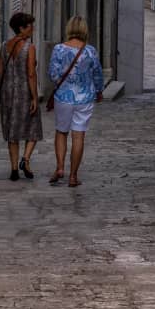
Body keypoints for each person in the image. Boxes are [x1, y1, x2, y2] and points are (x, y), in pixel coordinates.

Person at [47, 15, 104, 187]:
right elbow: (97, 74)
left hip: (63, 97)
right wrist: (99, 91)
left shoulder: (58, 49)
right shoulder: (90, 51)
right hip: (84, 98)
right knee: (78, 136)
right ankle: (73, 176)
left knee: (61, 132)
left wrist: (63, 83)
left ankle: (59, 168)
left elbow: (53, 75)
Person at [0, 11, 42, 181]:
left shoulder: (4, 46)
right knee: (33, 128)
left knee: (12, 131)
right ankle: (26, 159)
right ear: (22, 28)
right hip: (24, 92)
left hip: (8, 93)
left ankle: (14, 169)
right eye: (30, 26)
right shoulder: (29, 48)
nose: (32, 29)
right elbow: (31, 73)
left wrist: (4, 89)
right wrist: (34, 97)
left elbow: (0, 70)